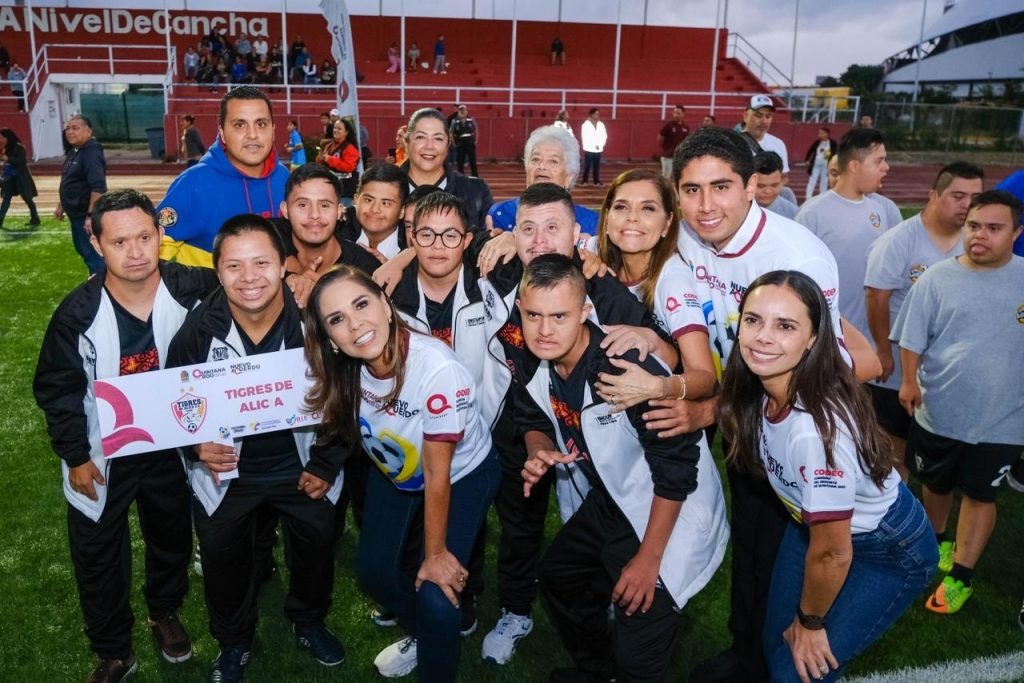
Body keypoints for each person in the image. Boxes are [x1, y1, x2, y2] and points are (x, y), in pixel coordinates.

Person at [669, 127, 872, 683]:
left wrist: (712, 411)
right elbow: (618, 239)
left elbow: (816, 370)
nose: (705, 205)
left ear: (751, 186)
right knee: (751, 541)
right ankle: (745, 651)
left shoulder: (795, 256)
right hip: (743, 410)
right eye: (691, 190)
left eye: (720, 187)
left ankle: (769, 654)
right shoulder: (690, 233)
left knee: (779, 550)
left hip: (792, 419)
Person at [478, 183, 679, 667]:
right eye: (528, 229)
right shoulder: (500, 265)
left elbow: (664, 359)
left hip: (595, 438)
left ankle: (610, 602)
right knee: (519, 524)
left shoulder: (605, 293)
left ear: (577, 234)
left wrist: (668, 383)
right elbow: (440, 240)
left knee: (594, 525)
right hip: (523, 421)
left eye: (553, 228)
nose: (539, 240)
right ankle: (515, 610)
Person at [33, 189, 218, 683]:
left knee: (172, 539)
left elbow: (253, 284)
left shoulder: (195, 287)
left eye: (144, 237)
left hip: (172, 449)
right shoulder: (77, 313)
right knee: (97, 555)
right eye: (119, 242)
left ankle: (164, 611)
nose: (135, 252)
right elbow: (56, 388)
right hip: (100, 455)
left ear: (160, 234)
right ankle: (114, 649)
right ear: (96, 243)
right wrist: (75, 455)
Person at [516, 254, 728, 681]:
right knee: (559, 577)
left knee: (639, 647)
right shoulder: (536, 355)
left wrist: (649, 561)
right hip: (617, 498)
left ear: (585, 312)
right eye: (533, 315)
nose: (544, 329)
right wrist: (539, 450)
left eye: (559, 316)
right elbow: (532, 414)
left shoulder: (623, 368)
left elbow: (678, 469)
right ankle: (600, 671)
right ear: (520, 309)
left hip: (673, 509)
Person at [718, 269, 937, 683]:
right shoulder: (763, 386)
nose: (763, 337)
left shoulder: (814, 433)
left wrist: (811, 621)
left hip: (885, 550)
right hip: (814, 529)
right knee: (776, 638)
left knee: (797, 671)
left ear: (814, 338)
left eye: (785, 326)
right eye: (753, 320)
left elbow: (834, 553)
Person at [166, 216, 347, 682]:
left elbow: (347, 393)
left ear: (284, 265)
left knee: (315, 551)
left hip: (303, 465)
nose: (249, 278)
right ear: (218, 271)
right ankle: (234, 641)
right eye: (234, 266)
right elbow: (172, 403)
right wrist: (195, 447)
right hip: (227, 472)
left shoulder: (315, 319)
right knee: (223, 562)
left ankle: (308, 620)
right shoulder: (197, 330)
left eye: (262, 263)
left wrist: (326, 462)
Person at [303, 265, 500, 681]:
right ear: (330, 338)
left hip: (460, 475)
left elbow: (437, 473)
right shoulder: (344, 366)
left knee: (436, 594)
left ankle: (436, 652)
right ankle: (428, 634)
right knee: (374, 573)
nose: (355, 324)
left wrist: (435, 556)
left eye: (361, 304)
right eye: (337, 319)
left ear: (386, 304)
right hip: (397, 470)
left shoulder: (437, 368)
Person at [892, 190, 1024, 616]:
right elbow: (912, 337)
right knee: (936, 484)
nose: (980, 235)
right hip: (939, 411)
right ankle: (939, 543)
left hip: (1005, 419)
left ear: (1016, 233)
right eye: (973, 226)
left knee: (981, 494)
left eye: (993, 228)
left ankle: (962, 576)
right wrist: (908, 381)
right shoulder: (936, 278)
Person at [864, 162, 983, 482]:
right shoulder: (900, 240)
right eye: (958, 196)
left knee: (932, 443)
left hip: (944, 368)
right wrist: (882, 350)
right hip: (897, 368)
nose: (967, 205)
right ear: (933, 195)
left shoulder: (973, 242)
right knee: (893, 443)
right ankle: (892, 495)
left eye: (974, 198)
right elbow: (877, 297)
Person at [591, 168, 717, 410]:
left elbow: (706, 379)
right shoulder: (591, 251)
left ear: (667, 223)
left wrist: (659, 387)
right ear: (606, 217)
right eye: (621, 207)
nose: (632, 217)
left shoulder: (673, 281)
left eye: (647, 208)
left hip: (657, 406)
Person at [159, 86, 288, 267]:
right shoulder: (192, 184)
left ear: (273, 131)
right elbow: (156, 260)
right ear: (222, 133)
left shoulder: (285, 179)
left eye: (261, 124)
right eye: (239, 125)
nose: (252, 135)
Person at [795, 127, 896, 355]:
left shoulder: (879, 210)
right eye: (879, 160)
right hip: (825, 340)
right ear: (854, 166)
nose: (886, 167)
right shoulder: (812, 214)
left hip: (867, 339)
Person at [488, 125, 597, 248]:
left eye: (553, 161)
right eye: (535, 159)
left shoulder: (592, 223)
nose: (542, 166)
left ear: (569, 176)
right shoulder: (501, 214)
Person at [400, 108, 493, 229]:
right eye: (420, 137)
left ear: (448, 144)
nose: (429, 146)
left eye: (438, 138)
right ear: (406, 142)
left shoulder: (475, 191)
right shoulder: (385, 191)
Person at [56, 114, 108, 274]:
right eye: (68, 128)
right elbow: (70, 181)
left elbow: (98, 187)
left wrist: (91, 216)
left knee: (93, 254)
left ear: (88, 131)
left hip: (84, 215)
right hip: (75, 214)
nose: (70, 132)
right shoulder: (75, 151)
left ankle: (103, 284)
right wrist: (61, 205)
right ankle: (97, 281)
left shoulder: (91, 153)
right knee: (85, 251)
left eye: (75, 128)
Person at [0, 127, 40, 228]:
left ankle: (35, 218)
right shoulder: (6, 147)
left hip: (20, 178)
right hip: (10, 178)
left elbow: (21, 161)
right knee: (6, 198)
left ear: (7, 137)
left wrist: (7, 158)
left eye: (1, 137)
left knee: (27, 198)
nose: (0, 140)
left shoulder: (18, 147)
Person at [316, 118, 361, 202]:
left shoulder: (350, 149)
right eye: (335, 128)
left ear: (346, 132)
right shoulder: (329, 145)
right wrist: (320, 158)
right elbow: (321, 163)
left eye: (339, 128)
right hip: (329, 189)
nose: (335, 130)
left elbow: (349, 167)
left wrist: (329, 159)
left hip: (345, 191)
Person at [753, 151, 798, 220]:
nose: (768, 191)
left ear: (782, 180)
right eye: (761, 186)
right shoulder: (737, 209)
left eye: (774, 185)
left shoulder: (793, 213)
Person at [657, 104, 690, 180]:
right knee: (666, 177)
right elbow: (660, 138)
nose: (676, 115)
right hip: (667, 156)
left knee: (677, 177)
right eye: (674, 113)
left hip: (678, 157)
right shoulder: (669, 125)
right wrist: (665, 149)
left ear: (683, 114)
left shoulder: (685, 127)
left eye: (678, 113)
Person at [803, 127, 836, 200]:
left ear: (827, 134)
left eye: (822, 133)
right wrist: (807, 160)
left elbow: (835, 154)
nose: (819, 135)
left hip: (826, 165)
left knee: (824, 182)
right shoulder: (817, 142)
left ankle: (823, 197)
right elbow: (810, 150)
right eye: (819, 133)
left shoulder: (832, 143)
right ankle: (808, 197)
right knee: (812, 180)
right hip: (816, 165)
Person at [580, 108, 607, 186]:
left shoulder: (601, 125)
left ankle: (596, 181)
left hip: (598, 149)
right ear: (591, 115)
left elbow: (604, 136)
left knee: (597, 166)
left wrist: (600, 145)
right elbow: (585, 137)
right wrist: (593, 145)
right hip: (589, 148)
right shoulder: (585, 125)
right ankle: (585, 181)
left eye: (598, 114)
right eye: (596, 114)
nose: (597, 115)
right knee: (587, 166)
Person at [450, 105, 479, 177]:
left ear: (466, 111)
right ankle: (461, 176)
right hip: (460, 143)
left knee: (472, 160)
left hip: (470, 142)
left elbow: (476, 130)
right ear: (458, 112)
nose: (462, 112)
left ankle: (475, 175)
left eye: (464, 110)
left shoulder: (471, 119)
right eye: (461, 110)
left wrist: (475, 141)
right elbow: (451, 132)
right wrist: (454, 143)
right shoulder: (454, 121)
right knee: (460, 161)